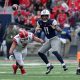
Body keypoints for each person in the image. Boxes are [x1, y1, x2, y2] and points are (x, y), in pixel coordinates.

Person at [36, 9, 68, 74]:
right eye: (43, 16)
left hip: (55, 38)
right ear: (41, 16)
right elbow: (37, 29)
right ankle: (49, 65)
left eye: (46, 16)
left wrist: (56, 28)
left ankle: (63, 65)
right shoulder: (39, 22)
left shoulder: (52, 21)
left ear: (48, 16)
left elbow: (59, 29)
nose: (44, 17)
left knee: (54, 51)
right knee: (40, 52)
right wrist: (37, 29)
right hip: (49, 40)